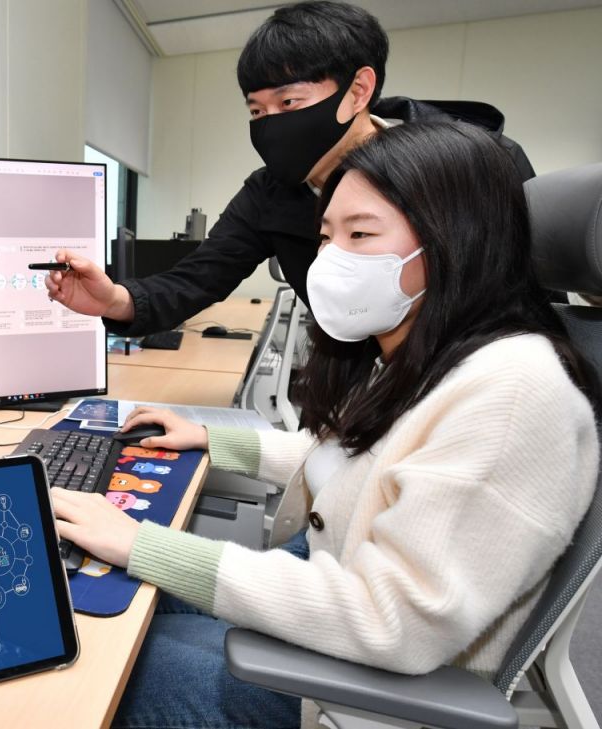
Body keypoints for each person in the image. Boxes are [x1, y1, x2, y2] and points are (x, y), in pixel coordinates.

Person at [50, 122, 599, 729]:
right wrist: (212, 439)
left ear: (456, 240)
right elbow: (367, 465)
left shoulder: (513, 392)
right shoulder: (436, 350)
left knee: (89, 663)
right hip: (330, 607)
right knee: (90, 598)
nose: (331, 259)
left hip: (359, 692)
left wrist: (140, 543)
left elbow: (395, 624)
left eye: (360, 234)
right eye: (327, 236)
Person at [44, 1, 534, 335]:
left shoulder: (477, 166)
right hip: (352, 381)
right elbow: (196, 279)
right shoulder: (271, 193)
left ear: (358, 91)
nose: (272, 123)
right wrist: (114, 300)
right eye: (257, 110)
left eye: (290, 101)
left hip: (463, 381)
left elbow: (528, 305)